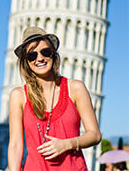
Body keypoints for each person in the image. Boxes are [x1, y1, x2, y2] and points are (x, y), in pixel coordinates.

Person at [8, 27, 102, 171]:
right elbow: (15, 144)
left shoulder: (75, 88)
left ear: (53, 55)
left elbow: (95, 135)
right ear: (26, 62)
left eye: (45, 52)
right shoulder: (19, 96)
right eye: (32, 56)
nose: (39, 58)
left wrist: (67, 144)